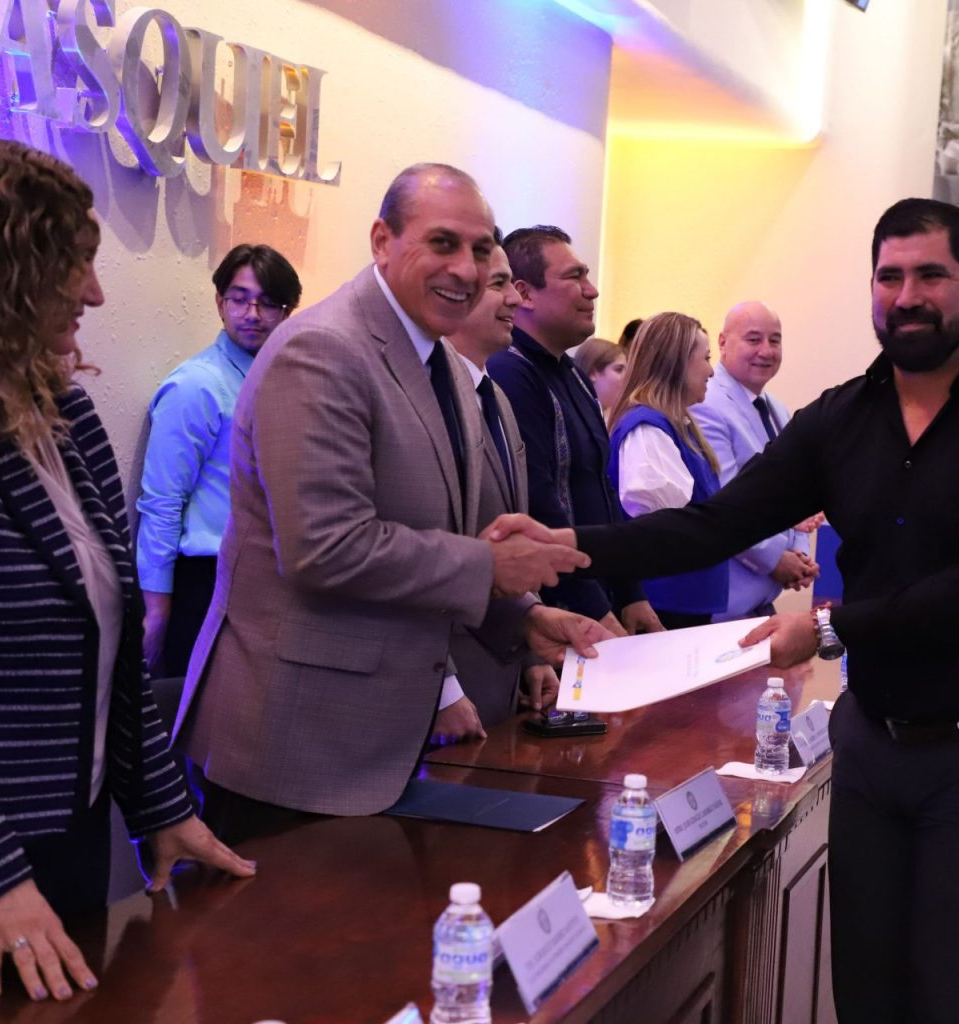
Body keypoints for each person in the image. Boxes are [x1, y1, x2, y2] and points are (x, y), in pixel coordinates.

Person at [501, 198, 959, 1022]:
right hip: (875, 746)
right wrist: (566, 545)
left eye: (930, 275)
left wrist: (827, 627)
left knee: (954, 998)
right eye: (889, 277)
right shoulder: (843, 418)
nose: (907, 296)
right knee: (866, 995)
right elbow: (714, 524)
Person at [0, 138, 253, 1000]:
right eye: (73, 264)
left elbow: (113, 646)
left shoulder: (60, 408)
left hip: (66, 834)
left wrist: (164, 807)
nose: (95, 293)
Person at [175, 166, 605, 842]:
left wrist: (523, 619)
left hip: (380, 746)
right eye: (443, 243)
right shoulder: (322, 350)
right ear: (382, 240)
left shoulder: (442, 362)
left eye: (482, 249)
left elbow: (439, 533)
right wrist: (491, 570)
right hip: (293, 746)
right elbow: (326, 547)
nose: (467, 269)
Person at [136, 244, 302, 678]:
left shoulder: (286, 381)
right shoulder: (197, 386)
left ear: (288, 313)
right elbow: (162, 502)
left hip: (268, 579)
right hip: (204, 582)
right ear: (219, 303)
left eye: (268, 303)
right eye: (239, 298)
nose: (252, 314)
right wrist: (157, 609)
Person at [487, 226, 662, 637]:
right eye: (575, 277)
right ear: (524, 293)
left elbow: (601, 491)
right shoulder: (511, 371)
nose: (592, 290)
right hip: (556, 612)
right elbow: (538, 502)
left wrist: (630, 592)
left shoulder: (574, 376)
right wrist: (595, 610)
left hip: (597, 594)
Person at [434, 242, 562, 742]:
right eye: (498, 285)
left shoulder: (499, 399)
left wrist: (529, 651)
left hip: (500, 668)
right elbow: (426, 545)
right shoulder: (429, 401)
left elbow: (512, 535)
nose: (515, 299)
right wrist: (443, 687)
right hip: (442, 675)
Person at [691, 301, 818, 620]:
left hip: (761, 603)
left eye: (775, 340)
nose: (766, 350)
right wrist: (776, 560)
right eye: (753, 339)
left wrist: (799, 553)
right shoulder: (706, 404)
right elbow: (724, 501)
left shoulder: (777, 408)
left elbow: (796, 490)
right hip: (723, 605)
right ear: (723, 342)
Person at [607, 313, 730, 629]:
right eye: (706, 358)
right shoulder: (648, 428)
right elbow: (661, 525)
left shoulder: (679, 425)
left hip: (685, 600)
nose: (711, 371)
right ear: (677, 363)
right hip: (663, 602)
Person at [569, 336, 627, 415]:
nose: (627, 377)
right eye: (619, 370)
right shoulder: (573, 414)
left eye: (627, 371)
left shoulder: (618, 415)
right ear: (593, 373)